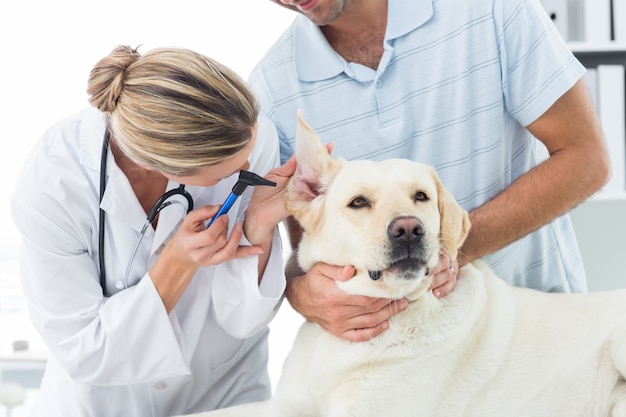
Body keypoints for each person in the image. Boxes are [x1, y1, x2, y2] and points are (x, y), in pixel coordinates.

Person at [250, 0, 610, 342]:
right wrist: (301, 294)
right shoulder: (272, 87)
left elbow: (587, 159)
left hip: (531, 329)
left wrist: (448, 247)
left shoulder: (490, 8)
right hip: (394, 362)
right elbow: (310, 246)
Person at [11, 45, 295, 416]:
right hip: (105, 404)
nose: (247, 165)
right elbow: (87, 349)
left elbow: (244, 318)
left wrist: (258, 224)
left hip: (224, 391)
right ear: (162, 166)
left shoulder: (245, 133)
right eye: (229, 173)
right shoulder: (53, 184)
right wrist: (178, 260)